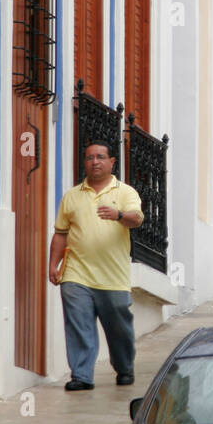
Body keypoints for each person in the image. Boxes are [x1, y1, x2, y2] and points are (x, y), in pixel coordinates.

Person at [48, 141, 144, 390]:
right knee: (78, 325)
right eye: (90, 157)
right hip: (76, 273)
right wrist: (53, 265)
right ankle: (81, 376)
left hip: (113, 276)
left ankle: (124, 367)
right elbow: (60, 233)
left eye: (100, 157)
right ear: (85, 163)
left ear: (112, 162)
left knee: (119, 329)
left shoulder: (125, 192)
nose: (95, 162)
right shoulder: (71, 196)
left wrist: (119, 216)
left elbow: (136, 219)